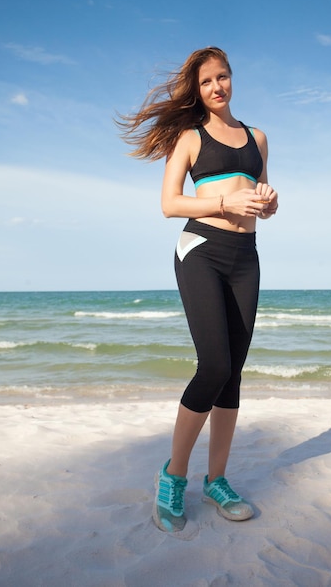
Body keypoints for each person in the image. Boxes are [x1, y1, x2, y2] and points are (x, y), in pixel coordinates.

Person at [117, 47, 278, 532]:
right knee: (214, 365)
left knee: (233, 376)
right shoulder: (190, 138)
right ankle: (173, 475)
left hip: (245, 260)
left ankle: (217, 480)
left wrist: (268, 203)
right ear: (197, 89)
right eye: (207, 81)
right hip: (201, 252)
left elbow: (262, 197)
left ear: (233, 79)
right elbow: (169, 204)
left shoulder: (259, 138)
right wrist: (225, 200)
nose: (217, 87)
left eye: (223, 77)